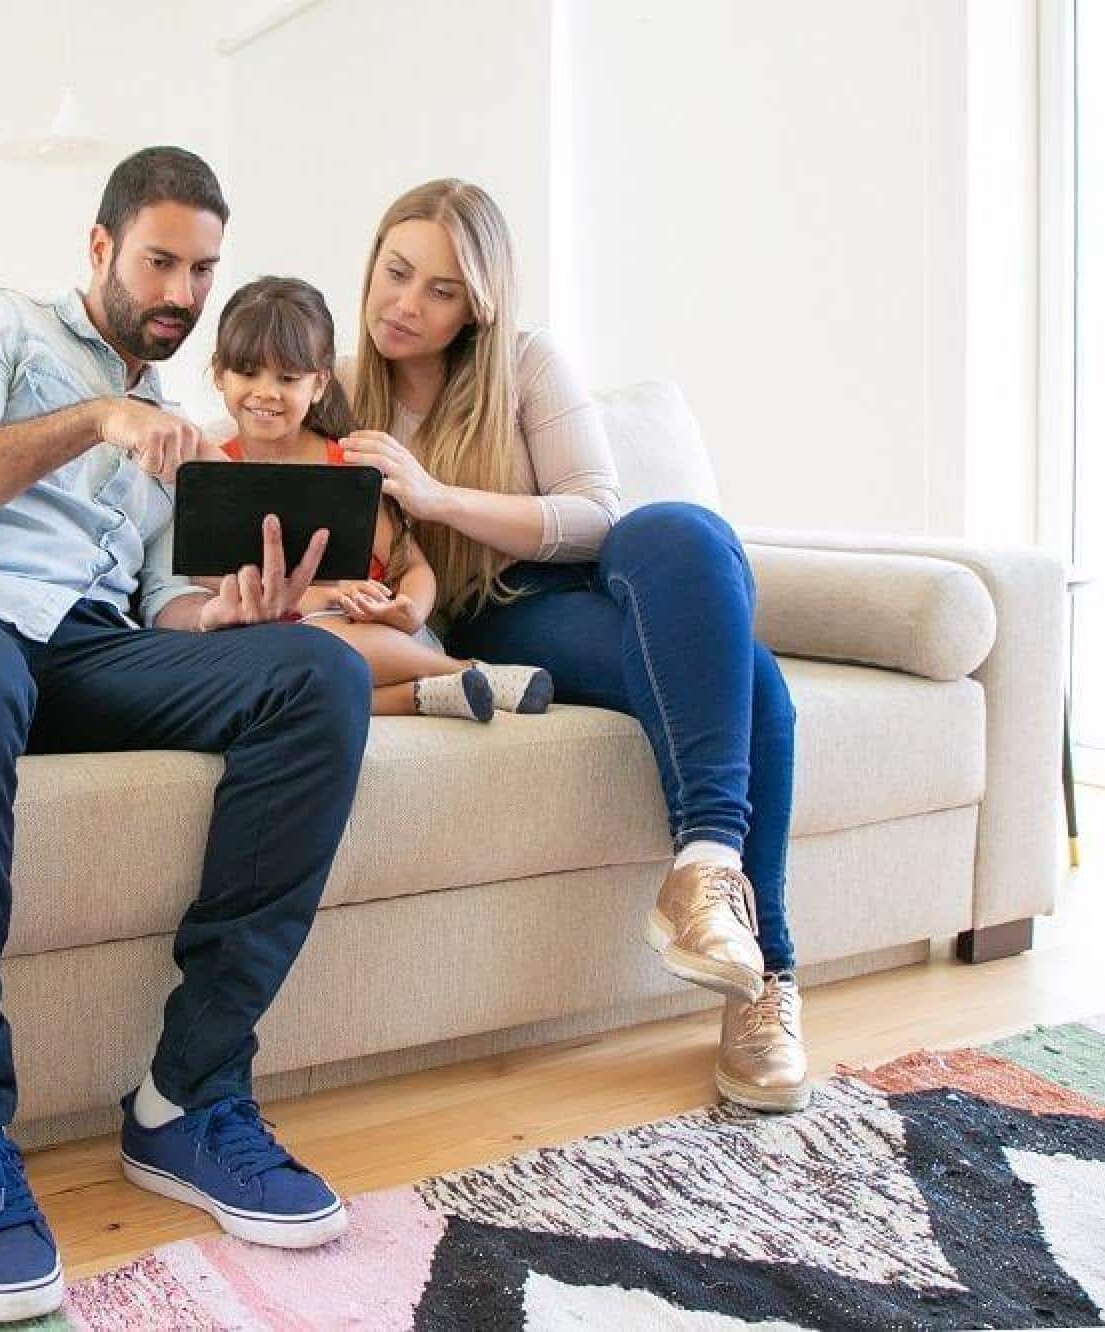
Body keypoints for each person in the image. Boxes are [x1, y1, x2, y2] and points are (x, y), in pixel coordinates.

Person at [0, 147, 359, 1323]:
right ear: (101, 248)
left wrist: (229, 618)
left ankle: (187, 1098)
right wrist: (93, 418)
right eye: (159, 260)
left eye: (201, 270)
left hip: (73, 650)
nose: (179, 290)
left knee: (312, 671)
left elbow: (160, 605)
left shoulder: (170, 428)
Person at [337, 179, 811, 1115]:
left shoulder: (524, 363)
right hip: (494, 615)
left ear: (478, 304)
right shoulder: (337, 393)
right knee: (752, 681)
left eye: (441, 290)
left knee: (680, 527)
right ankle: (773, 977)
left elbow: (597, 513)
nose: (407, 304)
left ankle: (705, 870)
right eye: (398, 273)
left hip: (590, 576)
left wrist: (435, 497)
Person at [205, 275, 555, 721]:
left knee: (328, 646)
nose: (266, 392)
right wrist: (317, 598)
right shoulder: (217, 472)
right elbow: (206, 575)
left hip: (373, 635)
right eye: (247, 372)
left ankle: (455, 674)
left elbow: (413, 568)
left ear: (318, 384)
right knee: (285, 679)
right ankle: (449, 682)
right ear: (219, 374)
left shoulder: (347, 465)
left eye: (288, 377)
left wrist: (408, 610)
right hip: (277, 642)